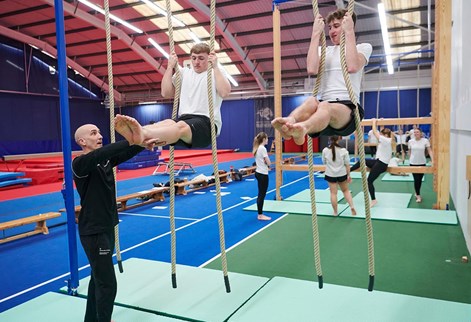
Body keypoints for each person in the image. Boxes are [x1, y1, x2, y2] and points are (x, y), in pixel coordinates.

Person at [72, 124, 145, 322]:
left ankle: (92, 319)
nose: (100, 135)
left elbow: (127, 152)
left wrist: (145, 140)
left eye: (99, 131)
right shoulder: (80, 164)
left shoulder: (105, 161)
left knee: (98, 278)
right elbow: (108, 151)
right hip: (94, 232)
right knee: (107, 283)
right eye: (93, 133)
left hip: (107, 227)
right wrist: (133, 138)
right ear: (82, 142)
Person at [272, 9, 372, 145]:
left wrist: (349, 32)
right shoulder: (325, 51)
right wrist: (315, 33)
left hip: (348, 110)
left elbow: (352, 66)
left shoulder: (362, 47)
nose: (331, 31)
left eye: (336, 26)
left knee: (324, 105)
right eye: (329, 27)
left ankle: (303, 128)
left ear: (348, 25)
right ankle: (290, 123)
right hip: (322, 113)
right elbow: (311, 69)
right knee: (311, 101)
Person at [115, 43, 231, 148]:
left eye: (201, 58)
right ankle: (138, 133)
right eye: (194, 58)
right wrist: (170, 67)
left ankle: (143, 134)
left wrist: (215, 66)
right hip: (185, 118)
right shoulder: (185, 73)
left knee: (180, 126)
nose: (196, 62)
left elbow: (225, 92)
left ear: (209, 59)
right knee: (167, 123)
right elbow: (166, 93)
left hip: (207, 123)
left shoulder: (215, 72)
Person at [350, 118, 395, 207]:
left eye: (382, 134)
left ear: (385, 135)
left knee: (369, 181)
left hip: (381, 165)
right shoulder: (386, 140)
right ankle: (349, 170)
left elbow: (375, 132)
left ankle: (373, 200)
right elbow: (380, 133)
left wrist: (374, 122)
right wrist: (381, 122)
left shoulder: (387, 140)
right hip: (378, 162)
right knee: (363, 160)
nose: (380, 135)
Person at [321, 136, 356, 216]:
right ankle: (352, 206)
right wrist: (348, 175)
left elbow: (324, 162)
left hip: (330, 174)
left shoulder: (325, 150)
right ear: (339, 139)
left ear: (329, 139)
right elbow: (347, 165)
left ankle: (335, 212)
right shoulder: (343, 151)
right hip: (342, 174)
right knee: (346, 191)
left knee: (333, 193)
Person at [408, 127, 433, 203]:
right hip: (413, 163)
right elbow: (409, 152)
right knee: (416, 180)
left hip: (422, 162)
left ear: (421, 133)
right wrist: (410, 159)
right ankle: (418, 195)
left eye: (417, 132)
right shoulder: (410, 141)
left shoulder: (425, 141)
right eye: (414, 132)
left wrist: (433, 160)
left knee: (420, 180)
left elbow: (429, 151)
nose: (416, 134)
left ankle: (417, 192)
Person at [253, 132, 271, 221]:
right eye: (267, 138)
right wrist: (268, 163)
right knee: (261, 195)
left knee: (260, 194)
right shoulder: (262, 148)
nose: (268, 140)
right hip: (263, 174)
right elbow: (269, 162)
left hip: (258, 172)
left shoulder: (257, 148)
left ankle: (260, 213)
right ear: (264, 139)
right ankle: (260, 215)